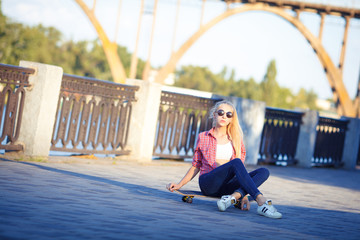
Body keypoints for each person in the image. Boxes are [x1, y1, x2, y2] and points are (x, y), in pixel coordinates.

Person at [167, 100, 282, 219]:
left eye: (229, 114)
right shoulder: (203, 137)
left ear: (231, 119)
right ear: (214, 114)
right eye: (221, 112)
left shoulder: (236, 139)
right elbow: (196, 165)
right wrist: (179, 184)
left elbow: (240, 172)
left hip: (227, 186)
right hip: (209, 183)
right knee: (236, 162)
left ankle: (233, 197)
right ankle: (261, 200)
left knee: (263, 171)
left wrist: (244, 196)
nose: (224, 116)